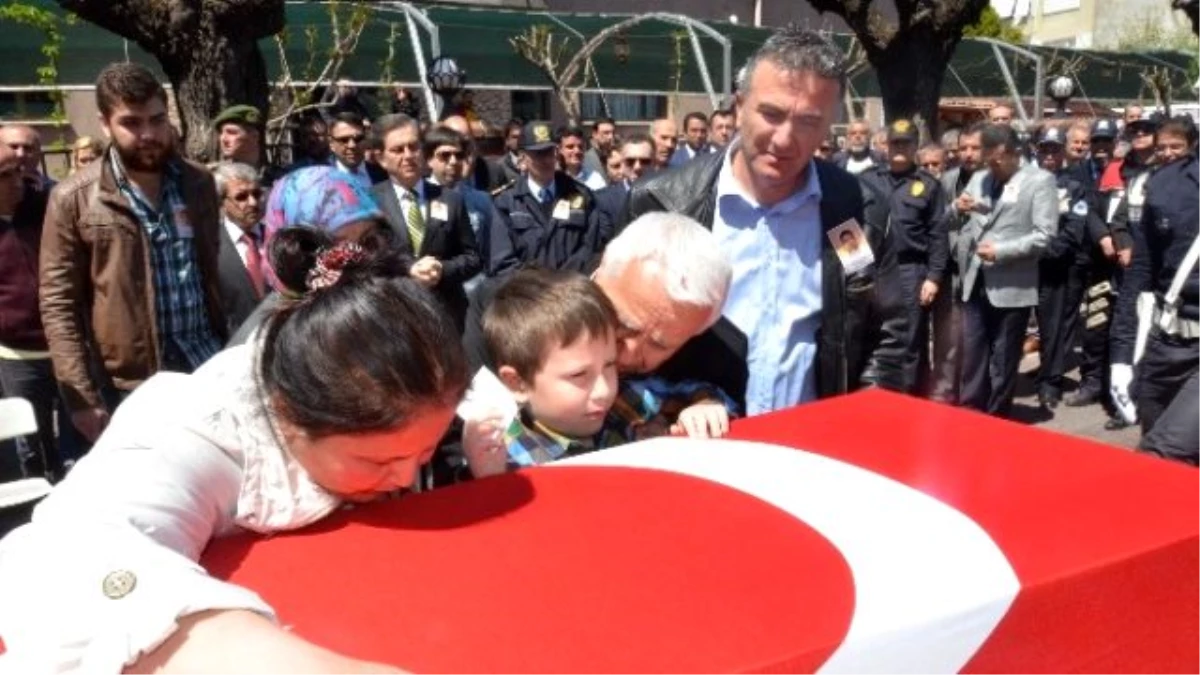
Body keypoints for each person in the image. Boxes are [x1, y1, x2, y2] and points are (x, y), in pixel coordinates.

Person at [0, 230, 467, 674]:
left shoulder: (381, 424)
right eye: (378, 462)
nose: (406, 478)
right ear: (289, 413)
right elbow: (74, 564)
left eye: (423, 454)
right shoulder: (188, 428)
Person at [624, 26, 907, 415]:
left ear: (830, 126)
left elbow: (887, 330)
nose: (784, 139)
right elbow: (618, 336)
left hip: (811, 444)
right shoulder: (665, 204)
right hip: (693, 444)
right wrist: (669, 408)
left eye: (809, 121)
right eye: (771, 114)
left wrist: (859, 421)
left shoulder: (853, 214)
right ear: (739, 107)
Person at [39, 62, 227, 445]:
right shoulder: (73, 198)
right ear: (104, 124)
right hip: (131, 381)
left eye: (157, 120)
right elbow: (59, 303)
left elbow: (210, 268)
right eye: (132, 123)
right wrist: (81, 396)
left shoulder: (199, 182)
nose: (148, 134)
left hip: (205, 364)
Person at [462, 268, 735, 478]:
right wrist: (488, 482)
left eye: (609, 365)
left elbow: (690, 392)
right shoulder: (508, 455)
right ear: (518, 382)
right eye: (579, 375)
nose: (604, 390)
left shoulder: (626, 401)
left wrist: (704, 406)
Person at [1110, 117, 1200, 463]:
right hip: (1166, 345)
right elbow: (1141, 272)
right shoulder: (1166, 185)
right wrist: (1121, 356)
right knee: (1155, 432)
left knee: (1162, 455)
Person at [955, 124, 1057, 417]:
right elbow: (965, 216)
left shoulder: (1040, 181)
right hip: (976, 278)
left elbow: (1044, 235)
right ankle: (970, 410)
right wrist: (959, 206)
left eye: (998, 160)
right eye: (989, 161)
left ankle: (997, 414)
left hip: (1012, 284)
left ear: (1013, 153)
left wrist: (1002, 251)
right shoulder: (980, 177)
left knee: (1003, 355)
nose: (993, 166)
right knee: (973, 352)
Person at [226, 165, 391, 346]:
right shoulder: (260, 349)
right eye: (336, 249)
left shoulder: (389, 311)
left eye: (368, 242)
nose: (359, 262)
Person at [1069, 116, 1153, 410]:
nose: (1102, 147)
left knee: (1130, 328)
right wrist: (1103, 237)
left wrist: (1128, 247)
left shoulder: (1157, 171)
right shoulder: (1114, 170)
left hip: (1138, 265)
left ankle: (1125, 395)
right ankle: (1092, 383)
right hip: (1102, 261)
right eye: (1097, 141)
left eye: (1108, 141)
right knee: (1097, 324)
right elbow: (1092, 209)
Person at [860, 118, 948, 396]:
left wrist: (933, 277)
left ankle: (911, 397)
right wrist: (854, 267)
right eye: (895, 142)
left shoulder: (929, 186)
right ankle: (874, 392)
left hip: (911, 271)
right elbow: (845, 226)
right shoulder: (865, 180)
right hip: (869, 270)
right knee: (869, 333)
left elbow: (938, 234)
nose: (900, 147)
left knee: (911, 341)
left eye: (906, 142)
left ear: (915, 146)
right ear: (886, 145)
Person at [370, 115, 480, 333]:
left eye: (413, 147)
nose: (408, 155)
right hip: (395, 320)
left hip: (447, 317)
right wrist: (407, 270)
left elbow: (473, 258)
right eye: (398, 150)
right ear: (381, 158)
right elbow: (367, 263)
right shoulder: (370, 203)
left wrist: (442, 269)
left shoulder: (450, 199)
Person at [0, 144, 58, 481]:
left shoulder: (44, 211)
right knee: (32, 443)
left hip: (65, 347)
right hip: (17, 355)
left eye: (19, 172)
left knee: (80, 435)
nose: (16, 182)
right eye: (4, 176)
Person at [488, 120, 606, 276]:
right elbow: (503, 261)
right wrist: (541, 288)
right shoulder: (507, 202)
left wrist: (562, 283)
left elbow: (591, 248)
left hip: (571, 290)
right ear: (523, 157)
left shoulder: (581, 195)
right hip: (528, 295)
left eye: (549, 152)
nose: (545, 160)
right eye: (538, 154)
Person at [1031, 126, 1091, 409]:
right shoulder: (1021, 182)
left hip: (1054, 264)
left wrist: (1046, 251)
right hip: (1022, 265)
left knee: (1052, 326)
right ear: (1037, 150)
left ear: (1062, 151)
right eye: (1045, 148)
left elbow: (1075, 228)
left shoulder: (1074, 185)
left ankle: (1050, 382)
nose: (1050, 155)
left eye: (1055, 149)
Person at [930, 124, 984, 404]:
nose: (968, 154)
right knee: (948, 339)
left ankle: (972, 398)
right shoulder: (947, 181)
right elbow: (935, 223)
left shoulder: (997, 181)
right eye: (964, 148)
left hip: (983, 272)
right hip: (951, 270)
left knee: (976, 340)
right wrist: (954, 209)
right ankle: (943, 393)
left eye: (975, 148)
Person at [426, 123, 496, 292]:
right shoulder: (419, 200)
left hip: (477, 293)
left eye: (458, 155)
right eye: (445, 155)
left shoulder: (481, 200)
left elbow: (493, 250)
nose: (453, 161)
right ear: (429, 159)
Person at [213, 162, 268, 335]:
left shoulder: (276, 237)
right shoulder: (212, 247)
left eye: (257, 194)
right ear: (222, 202)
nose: (252, 202)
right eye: (241, 197)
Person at [212, 105, 284, 187]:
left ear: (255, 136)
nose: (223, 139)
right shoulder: (215, 178)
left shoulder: (280, 179)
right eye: (221, 133)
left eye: (232, 132)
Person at [327, 112, 386, 187]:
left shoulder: (383, 171)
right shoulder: (325, 181)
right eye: (344, 140)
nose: (352, 145)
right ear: (331, 144)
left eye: (358, 139)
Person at [0, 124, 53, 193]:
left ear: (39, 153)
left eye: (28, 148)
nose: (21, 154)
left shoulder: (53, 193)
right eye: (13, 147)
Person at [558, 124, 607, 190]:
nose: (577, 151)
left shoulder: (595, 179)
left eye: (580, 147)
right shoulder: (552, 179)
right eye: (570, 147)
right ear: (560, 149)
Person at [493, 118, 524, 185]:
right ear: (507, 141)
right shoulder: (500, 166)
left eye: (521, 137)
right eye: (514, 137)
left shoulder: (534, 162)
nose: (519, 140)